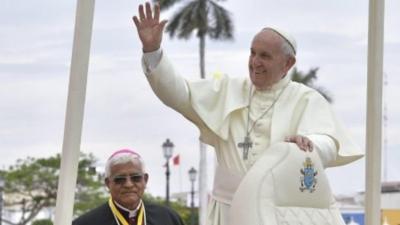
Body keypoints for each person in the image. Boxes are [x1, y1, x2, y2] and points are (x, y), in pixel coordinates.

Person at [133, 2, 364, 225]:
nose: (255, 62)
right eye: (253, 53)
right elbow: (181, 95)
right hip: (227, 210)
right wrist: (153, 51)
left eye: (265, 56)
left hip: (276, 214)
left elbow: (329, 142)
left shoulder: (305, 99)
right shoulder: (228, 90)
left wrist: (310, 143)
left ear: (288, 63)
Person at [73, 149, 185, 225]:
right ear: (108, 183)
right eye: (120, 179)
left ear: (145, 180)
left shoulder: (168, 218)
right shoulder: (86, 223)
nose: (128, 184)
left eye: (136, 177)